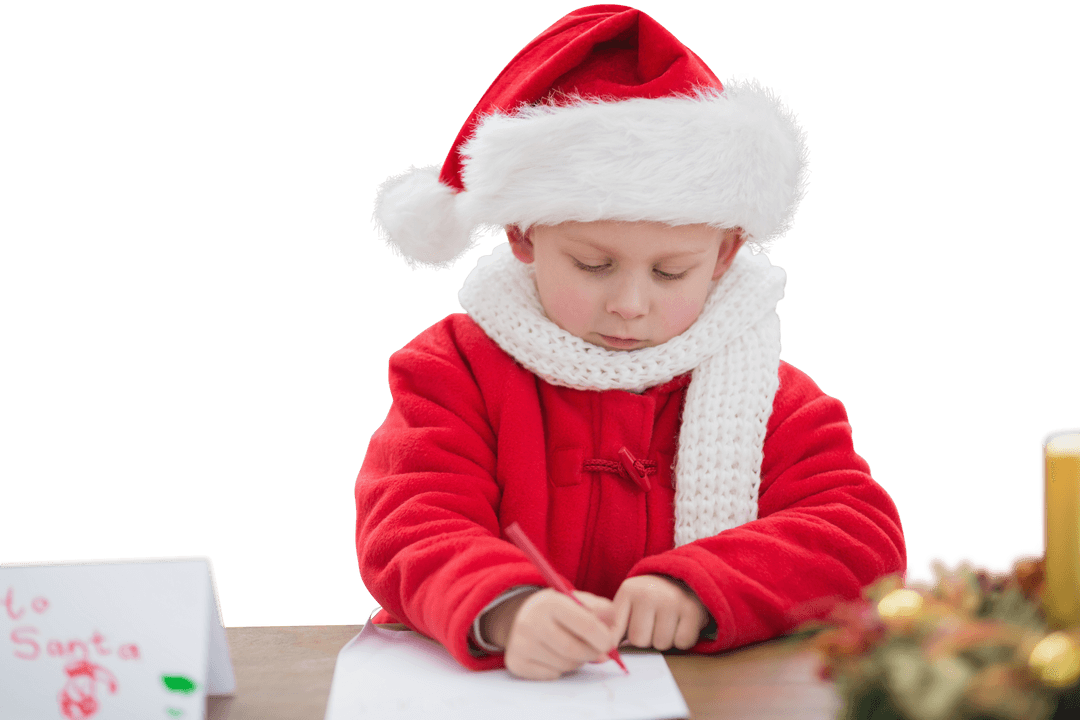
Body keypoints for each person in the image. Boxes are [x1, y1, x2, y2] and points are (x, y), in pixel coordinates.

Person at [356, 4, 907, 681]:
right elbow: (409, 521)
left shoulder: (769, 394)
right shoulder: (453, 370)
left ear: (726, 254)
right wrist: (507, 606)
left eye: (671, 271)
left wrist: (701, 586)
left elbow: (863, 538)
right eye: (593, 264)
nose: (629, 303)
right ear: (523, 233)